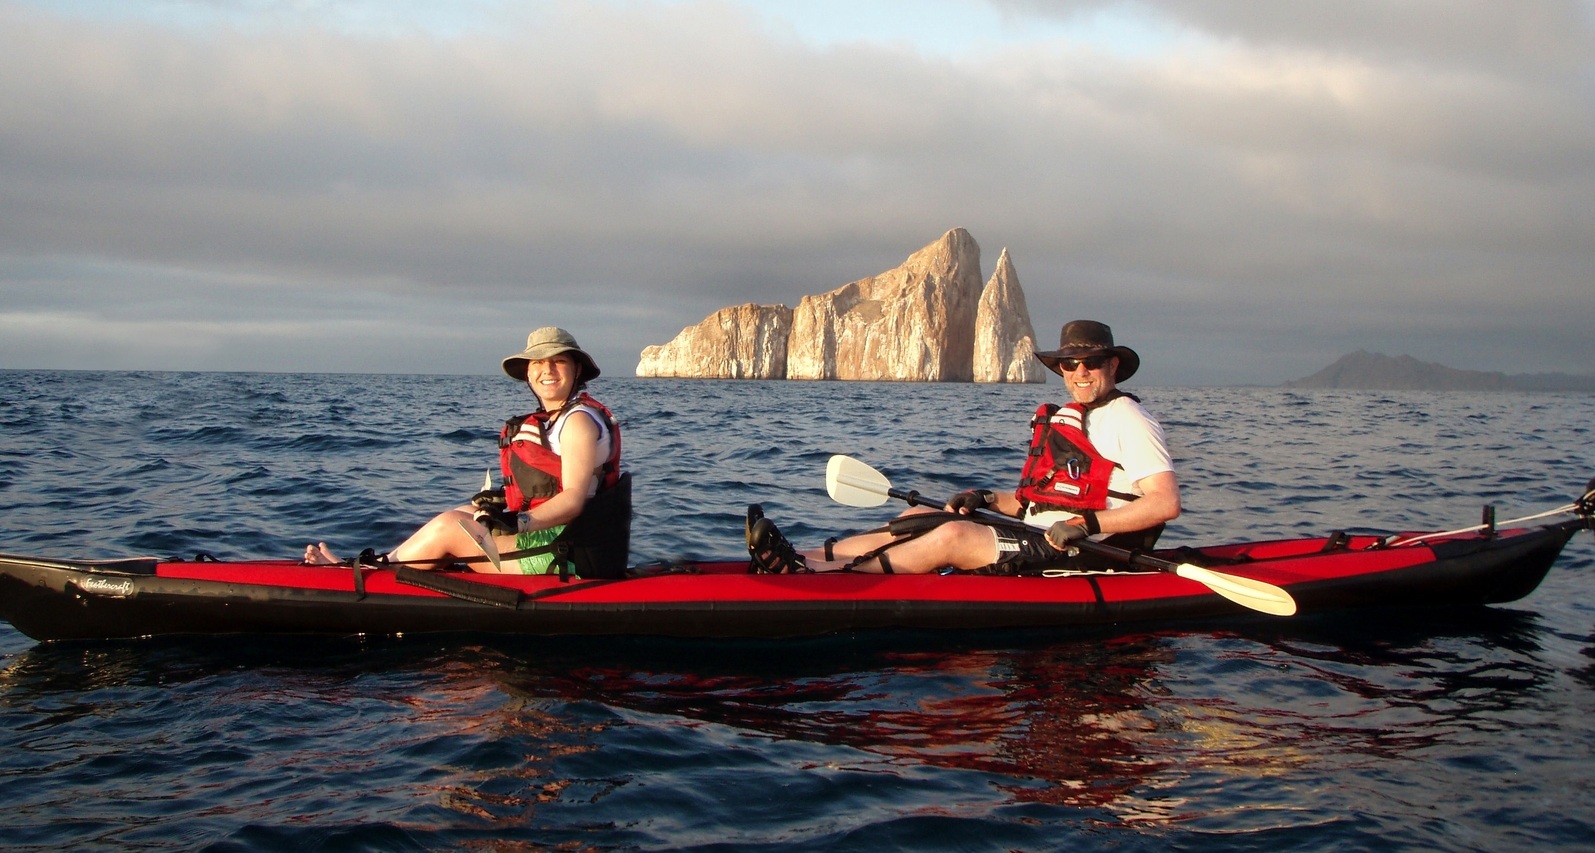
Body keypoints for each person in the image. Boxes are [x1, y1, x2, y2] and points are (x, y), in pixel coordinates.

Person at [747, 320, 1179, 575]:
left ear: (1113, 366)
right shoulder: (1071, 417)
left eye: (1093, 363)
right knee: (921, 515)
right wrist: (988, 497)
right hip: (1040, 533)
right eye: (1070, 364)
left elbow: (1163, 503)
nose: (1080, 372)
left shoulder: (1129, 419)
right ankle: (802, 555)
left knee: (953, 535)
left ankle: (825, 575)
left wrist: (1086, 525)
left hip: (1085, 551)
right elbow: (1036, 503)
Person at [304, 327, 630, 577]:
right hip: (566, 539)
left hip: (569, 555)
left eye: (559, 361)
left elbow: (573, 499)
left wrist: (517, 522)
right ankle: (383, 564)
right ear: (528, 373)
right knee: (466, 512)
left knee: (450, 526)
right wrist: (497, 507)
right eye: (539, 362)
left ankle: (365, 576)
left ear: (576, 371)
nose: (548, 370)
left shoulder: (578, 423)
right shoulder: (560, 419)